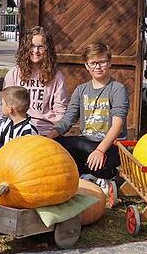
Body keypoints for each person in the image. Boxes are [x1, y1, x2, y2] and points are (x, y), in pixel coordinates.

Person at [48, 43, 129, 198]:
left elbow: (117, 125)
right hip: (87, 143)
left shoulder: (117, 89)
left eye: (102, 62)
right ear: (86, 65)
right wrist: (49, 138)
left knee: (91, 150)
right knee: (60, 145)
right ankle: (90, 175)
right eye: (93, 63)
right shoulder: (81, 90)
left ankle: (103, 176)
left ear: (109, 62)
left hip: (110, 145)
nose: (98, 67)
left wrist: (100, 150)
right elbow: (68, 118)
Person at [3, 27, 68, 136]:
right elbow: (6, 105)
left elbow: (60, 111)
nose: (36, 51)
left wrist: (52, 135)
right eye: (32, 46)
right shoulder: (14, 73)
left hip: (45, 132)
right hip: (19, 130)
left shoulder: (56, 77)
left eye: (40, 47)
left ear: (47, 49)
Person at [0, 86, 38, 160]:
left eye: (2, 104)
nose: (1, 106)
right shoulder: (6, 122)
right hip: (5, 162)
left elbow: (27, 156)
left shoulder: (28, 130)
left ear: (10, 109)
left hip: (20, 165)